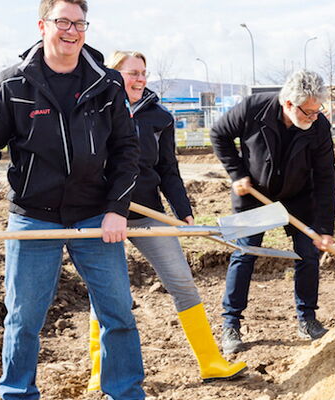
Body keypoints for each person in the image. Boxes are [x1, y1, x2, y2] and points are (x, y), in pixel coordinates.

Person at [0, 1, 146, 398]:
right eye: (63, 22)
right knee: (23, 319)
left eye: (79, 23)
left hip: (95, 217)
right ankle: (18, 393)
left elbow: (127, 151)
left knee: (119, 314)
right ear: (43, 25)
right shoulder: (14, 84)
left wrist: (116, 209)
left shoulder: (106, 84)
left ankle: (125, 393)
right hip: (33, 218)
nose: (71, 31)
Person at [83, 50, 246, 390]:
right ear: (114, 75)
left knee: (183, 283)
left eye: (144, 72)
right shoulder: (94, 110)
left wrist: (183, 209)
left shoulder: (159, 117)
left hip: (147, 213)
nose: (140, 79)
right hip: (103, 216)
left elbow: (168, 169)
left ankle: (211, 361)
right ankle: (100, 372)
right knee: (108, 293)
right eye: (132, 73)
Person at [210, 70, 335, 354]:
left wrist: (325, 228)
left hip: (299, 197)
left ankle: (307, 319)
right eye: (309, 111)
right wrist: (236, 173)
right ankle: (231, 324)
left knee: (307, 253)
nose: (314, 117)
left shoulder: (318, 127)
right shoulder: (252, 108)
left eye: (319, 111)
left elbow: (327, 177)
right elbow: (219, 134)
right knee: (245, 253)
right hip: (253, 193)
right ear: (289, 104)